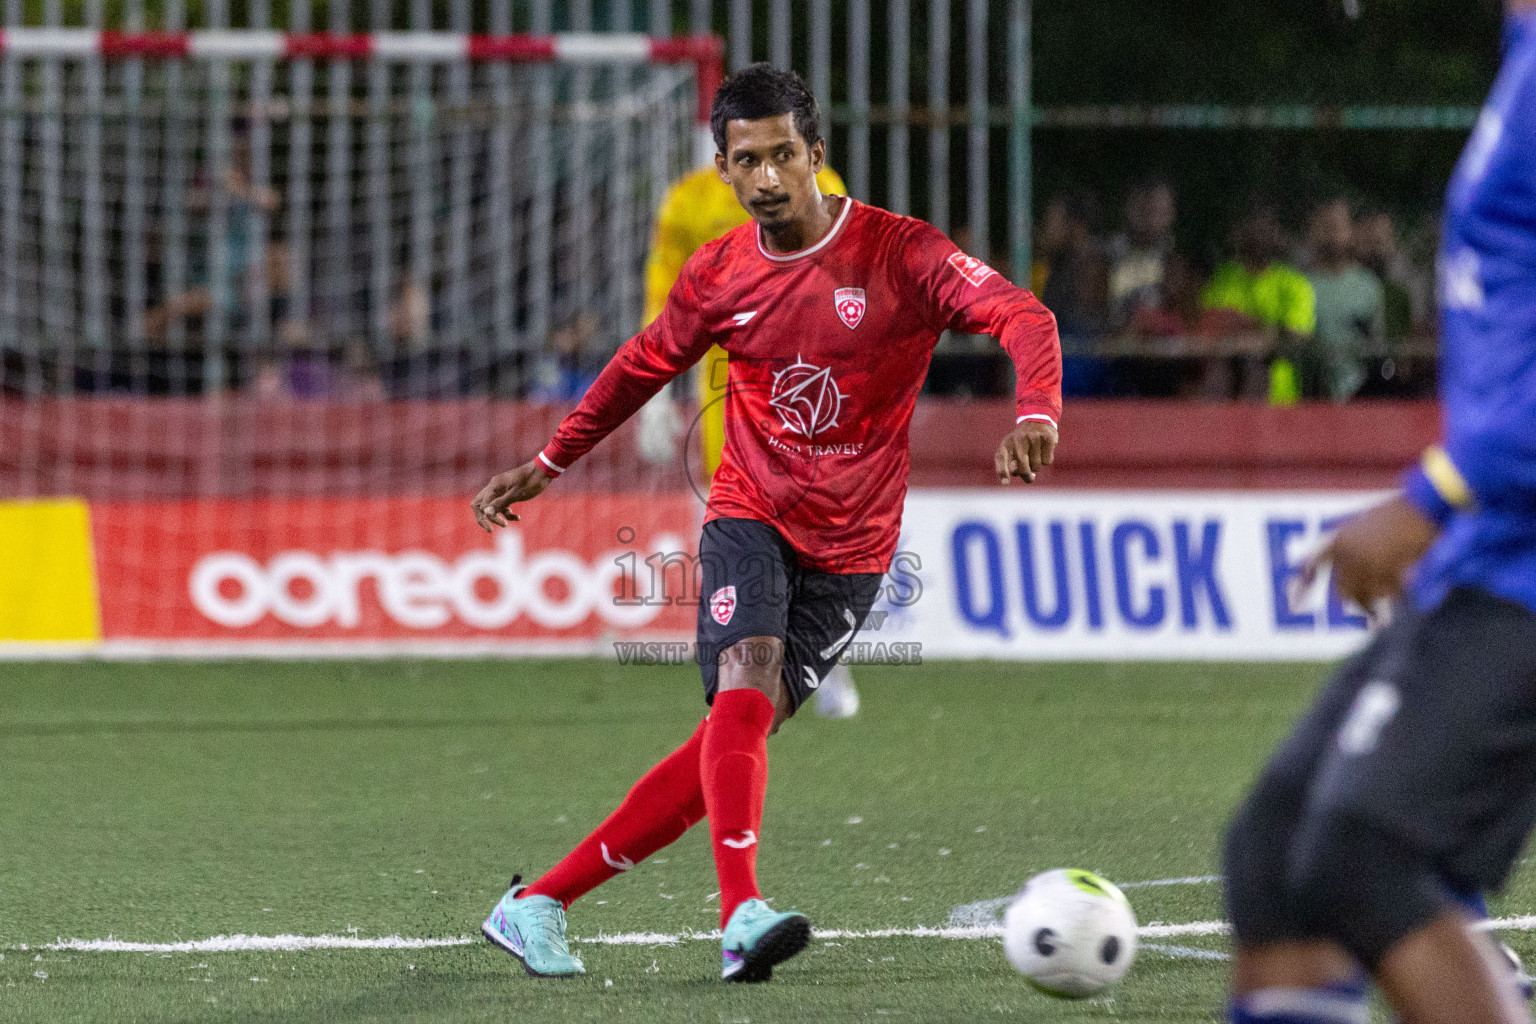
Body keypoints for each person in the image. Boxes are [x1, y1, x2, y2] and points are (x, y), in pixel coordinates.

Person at [470, 64, 1061, 984]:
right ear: (725, 170)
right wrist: (549, 464)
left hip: (857, 548)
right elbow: (637, 367)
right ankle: (741, 914)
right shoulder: (718, 274)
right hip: (750, 509)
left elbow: (1022, 314)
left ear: (816, 156)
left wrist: (1036, 411)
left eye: (785, 154)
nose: (769, 177)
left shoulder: (902, 254)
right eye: (747, 161)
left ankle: (538, 902)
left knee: (729, 741)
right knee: (745, 682)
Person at [1221, 4, 1536, 1021]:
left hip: (1518, 564)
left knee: (1363, 852)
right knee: (1274, 854)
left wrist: (1435, 494)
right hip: (1495, 544)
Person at [635, 124, 862, 719]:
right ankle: (733, 653)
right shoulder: (686, 203)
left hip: (803, 373)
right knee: (722, 511)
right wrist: (656, 394)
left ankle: (822, 656)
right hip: (724, 379)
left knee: (810, 514)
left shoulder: (823, 186)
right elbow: (666, 297)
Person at [1201, 205, 1316, 402]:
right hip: (1223, 400)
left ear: (1279, 235)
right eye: (1252, 228)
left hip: (1279, 402)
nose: (1258, 237)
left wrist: (1250, 327)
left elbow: (1296, 335)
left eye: (1266, 229)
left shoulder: (1296, 284)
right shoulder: (1222, 278)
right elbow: (1209, 326)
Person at [1301, 198, 1386, 402]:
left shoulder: (1368, 285)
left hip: (1360, 397)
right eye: (1327, 227)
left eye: (1338, 227)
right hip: (1312, 398)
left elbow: (1379, 347)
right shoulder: (1302, 285)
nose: (1333, 235)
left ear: (1351, 232)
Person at [1106, 178, 1177, 332]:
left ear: (1171, 213)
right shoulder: (1108, 254)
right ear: (1128, 208)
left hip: (1163, 347)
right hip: (1110, 345)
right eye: (1142, 208)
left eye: (1156, 210)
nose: (1148, 219)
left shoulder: (1176, 259)